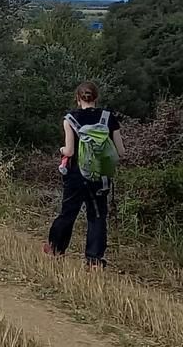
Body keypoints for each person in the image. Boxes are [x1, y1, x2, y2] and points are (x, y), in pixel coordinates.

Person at [45, 81, 126, 268]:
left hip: (76, 175)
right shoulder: (109, 118)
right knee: (97, 216)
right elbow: (121, 152)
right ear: (96, 98)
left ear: (77, 98)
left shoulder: (70, 119)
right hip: (100, 177)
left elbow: (70, 151)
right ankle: (94, 260)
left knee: (68, 213)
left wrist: (61, 149)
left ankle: (56, 249)